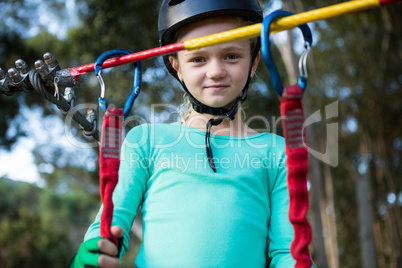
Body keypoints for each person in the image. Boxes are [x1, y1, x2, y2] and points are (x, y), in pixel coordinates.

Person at [70, 0, 297, 267]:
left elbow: (289, 252)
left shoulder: (277, 151)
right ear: (176, 64)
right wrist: (92, 255)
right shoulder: (145, 142)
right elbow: (111, 221)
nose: (215, 71)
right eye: (198, 58)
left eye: (231, 56)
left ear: (254, 61)